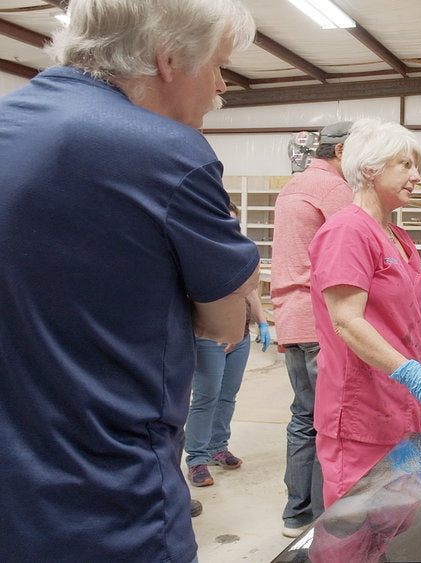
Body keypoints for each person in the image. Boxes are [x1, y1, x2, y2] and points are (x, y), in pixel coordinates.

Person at [0, 1, 259, 561]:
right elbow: (224, 321)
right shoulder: (168, 153)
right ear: (168, 59)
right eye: (218, 65)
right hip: (106, 499)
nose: (221, 85)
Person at [308, 118, 421, 507]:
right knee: (354, 527)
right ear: (369, 169)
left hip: (400, 409)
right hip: (361, 414)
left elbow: (417, 311)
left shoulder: (396, 234)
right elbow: (347, 322)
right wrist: (408, 371)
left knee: (393, 521)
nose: (417, 175)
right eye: (405, 165)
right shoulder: (347, 232)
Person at [272, 120, 354, 537]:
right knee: (329, 421)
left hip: (291, 316)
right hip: (321, 317)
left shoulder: (293, 186)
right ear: (341, 152)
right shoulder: (335, 189)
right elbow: (353, 249)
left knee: (303, 416)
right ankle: (326, 519)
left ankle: (296, 512)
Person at [186, 201, 271, 488]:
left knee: (227, 396)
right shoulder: (198, 255)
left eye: (234, 222)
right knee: (206, 397)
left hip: (241, 337)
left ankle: (217, 448)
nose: (230, 228)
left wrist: (261, 323)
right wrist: (219, 330)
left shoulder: (239, 252)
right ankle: (196, 459)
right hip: (210, 338)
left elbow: (250, 293)